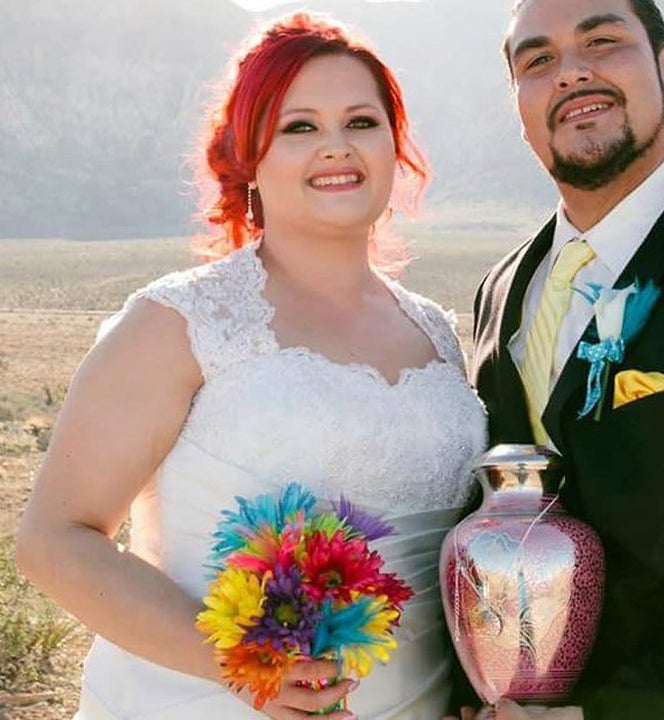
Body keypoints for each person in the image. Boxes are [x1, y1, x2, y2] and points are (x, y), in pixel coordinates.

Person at [15, 13, 487, 720]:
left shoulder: (439, 335)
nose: (336, 147)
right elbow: (53, 542)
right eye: (300, 127)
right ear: (249, 158)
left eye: (361, 121)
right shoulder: (179, 323)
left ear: (395, 147)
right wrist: (244, 670)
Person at [459, 0, 664, 718]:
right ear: (519, 104)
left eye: (602, 42)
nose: (572, 73)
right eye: (538, 60)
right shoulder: (500, 288)